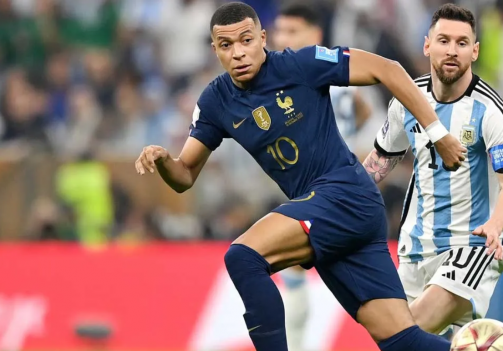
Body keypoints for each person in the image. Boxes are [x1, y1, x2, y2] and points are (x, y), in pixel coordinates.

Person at [135, 3, 466, 351]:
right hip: (333, 215)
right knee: (403, 342)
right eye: (227, 45)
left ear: (262, 38)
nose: (239, 53)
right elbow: (185, 174)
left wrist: (438, 133)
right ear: (214, 50)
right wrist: (163, 160)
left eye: (246, 40)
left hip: (345, 194)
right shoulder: (215, 100)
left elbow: (388, 69)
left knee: (243, 256)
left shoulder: (300, 65)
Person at [362, 3, 503, 335]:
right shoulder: (407, 101)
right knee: (407, 342)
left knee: (408, 332)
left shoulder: (490, 111)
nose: (452, 51)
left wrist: (495, 224)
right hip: (414, 250)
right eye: (444, 40)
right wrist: (335, 200)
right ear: (427, 45)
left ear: (475, 51)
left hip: (472, 246)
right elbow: (377, 166)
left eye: (462, 43)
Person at [272, 4, 372, 350]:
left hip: (324, 194)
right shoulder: (342, 75)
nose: (282, 39)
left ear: (315, 36)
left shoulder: (303, 77)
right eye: (280, 32)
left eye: (292, 32)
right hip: (342, 191)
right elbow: (365, 109)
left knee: (286, 267)